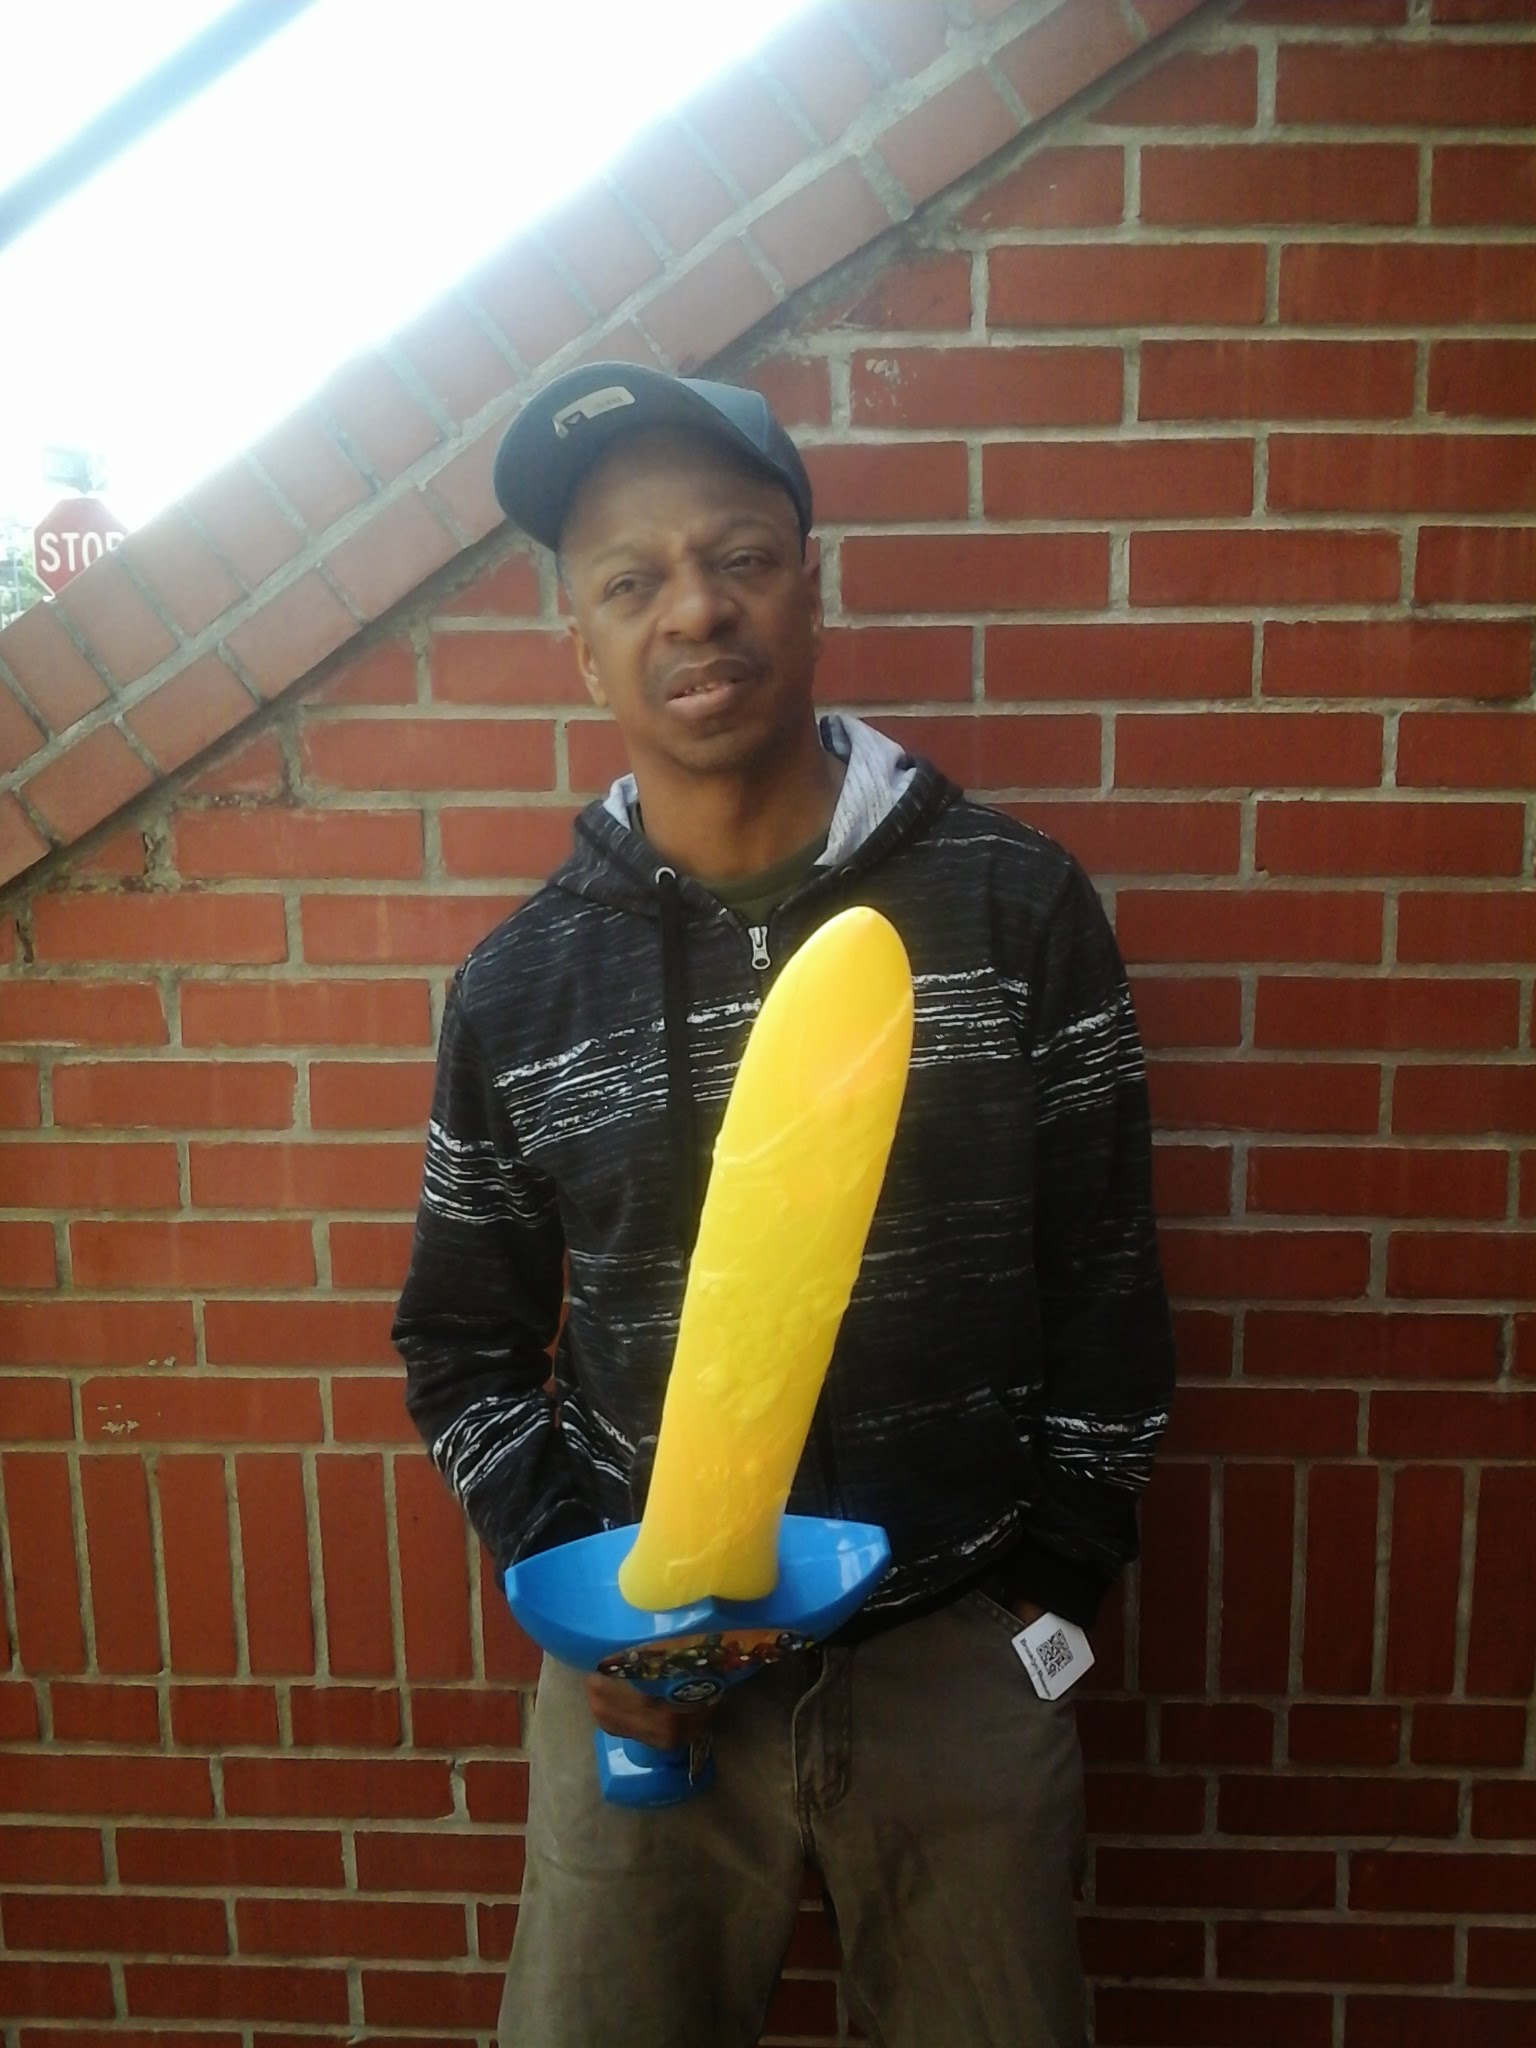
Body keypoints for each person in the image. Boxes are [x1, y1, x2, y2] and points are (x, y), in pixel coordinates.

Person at [394, 362, 1176, 2048]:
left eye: (738, 556)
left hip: (953, 1652)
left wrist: (1051, 1590)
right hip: (645, 1683)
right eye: (631, 580)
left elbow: (1109, 1279)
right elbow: (458, 1340)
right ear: (581, 644)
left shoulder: (1016, 909)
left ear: (810, 585)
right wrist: (585, 1595)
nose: (695, 609)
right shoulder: (521, 985)